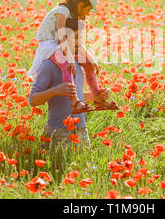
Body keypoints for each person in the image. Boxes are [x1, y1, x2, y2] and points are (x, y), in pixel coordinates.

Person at [28, 19, 112, 151]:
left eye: (82, 38)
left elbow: (77, 95)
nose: (80, 43)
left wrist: (96, 96)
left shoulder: (78, 63)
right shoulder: (49, 65)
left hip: (81, 130)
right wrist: (55, 91)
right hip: (59, 131)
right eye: (77, 37)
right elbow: (33, 99)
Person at [27, 0, 100, 113]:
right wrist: (70, 57)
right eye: (88, 10)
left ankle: (97, 96)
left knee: (88, 64)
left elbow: (78, 43)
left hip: (61, 45)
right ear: (80, 5)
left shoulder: (73, 16)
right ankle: (74, 101)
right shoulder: (62, 10)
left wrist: (91, 60)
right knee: (66, 63)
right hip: (49, 45)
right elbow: (61, 35)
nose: (88, 14)